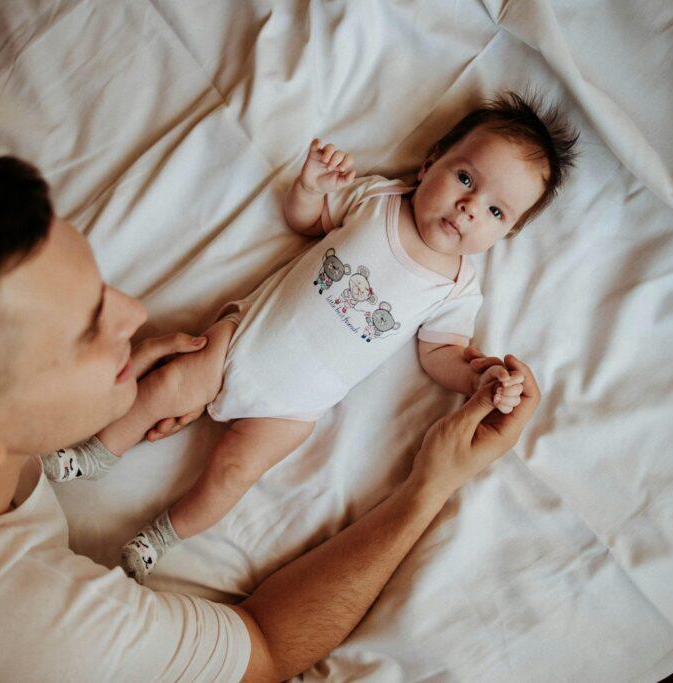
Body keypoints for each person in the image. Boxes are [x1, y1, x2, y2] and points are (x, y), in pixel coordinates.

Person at [0, 152, 540, 681]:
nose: (136, 313)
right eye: (88, 328)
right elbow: (269, 649)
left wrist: (91, 381)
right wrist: (431, 483)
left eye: (101, 291)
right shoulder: (41, 632)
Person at [109, 93, 577, 579]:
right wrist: (310, 189)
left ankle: (159, 539)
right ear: (431, 161)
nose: (470, 207)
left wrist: (479, 378)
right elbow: (308, 221)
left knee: (233, 473)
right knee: (167, 385)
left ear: (507, 233)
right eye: (465, 179)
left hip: (293, 408)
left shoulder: (457, 289)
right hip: (244, 340)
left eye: (497, 212)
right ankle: (96, 451)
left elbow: (441, 352)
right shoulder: (377, 199)